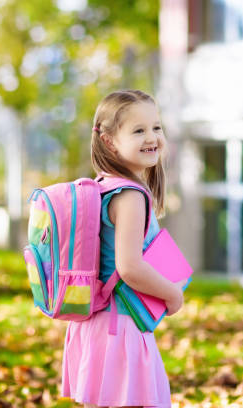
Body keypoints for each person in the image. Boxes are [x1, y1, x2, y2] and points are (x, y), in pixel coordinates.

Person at [61, 90, 187, 408]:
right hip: (122, 327)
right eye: (138, 130)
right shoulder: (130, 196)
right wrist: (172, 293)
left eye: (156, 127)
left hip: (97, 323)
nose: (152, 137)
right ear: (109, 142)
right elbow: (129, 266)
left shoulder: (102, 186)